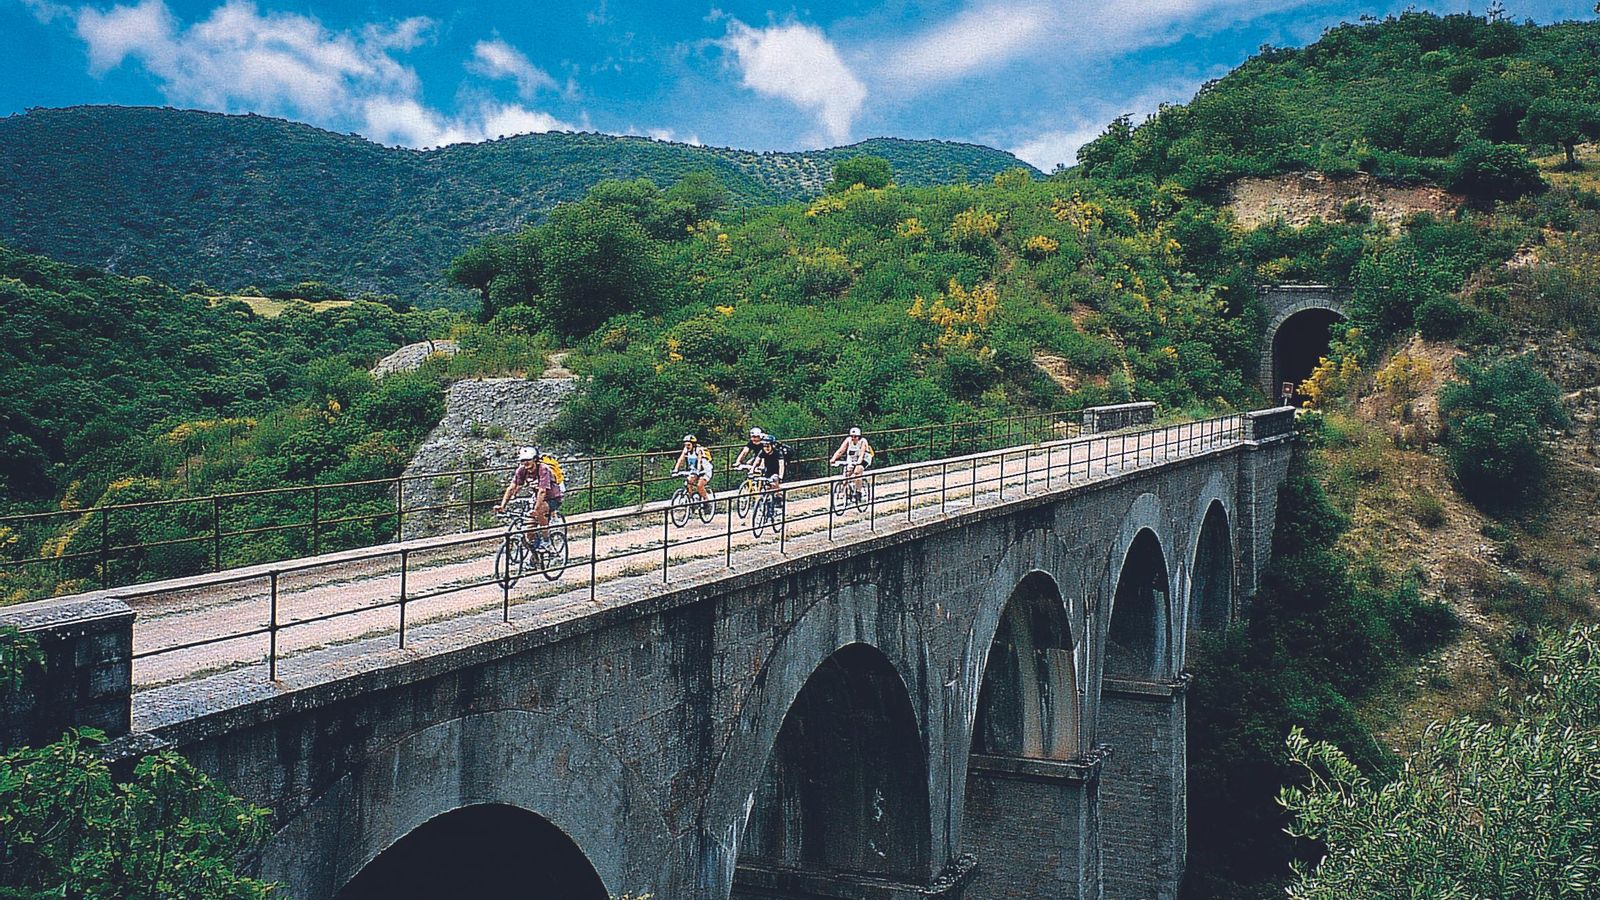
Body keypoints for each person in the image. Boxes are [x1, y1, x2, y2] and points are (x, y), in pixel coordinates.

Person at [494, 447, 562, 548]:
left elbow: (542, 491)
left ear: (535, 459)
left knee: (540, 510)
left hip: (552, 498)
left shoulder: (543, 469)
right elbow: (512, 487)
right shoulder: (521, 470)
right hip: (538, 498)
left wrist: (536, 509)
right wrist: (502, 506)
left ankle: (547, 540)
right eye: (522, 460)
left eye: (528, 460)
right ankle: (535, 559)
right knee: (529, 532)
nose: (525, 463)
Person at [829, 426, 875, 499]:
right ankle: (846, 492)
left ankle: (859, 491)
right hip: (852, 458)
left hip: (864, 459)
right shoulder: (848, 441)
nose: (853, 438)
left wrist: (859, 462)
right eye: (852, 436)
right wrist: (833, 458)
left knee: (857, 472)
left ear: (859, 436)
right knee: (847, 474)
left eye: (855, 436)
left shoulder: (863, 441)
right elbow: (841, 450)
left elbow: (862, 453)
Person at [672, 434, 714, 506]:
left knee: (699, 485)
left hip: (705, 470)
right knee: (688, 482)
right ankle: (691, 502)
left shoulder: (698, 450)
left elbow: (699, 461)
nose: (687, 447)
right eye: (685, 445)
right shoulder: (686, 450)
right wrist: (675, 469)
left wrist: (697, 470)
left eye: (688, 445)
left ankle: (707, 502)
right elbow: (681, 459)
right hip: (695, 470)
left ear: (693, 445)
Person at [755, 434, 788, 507]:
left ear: (772, 446)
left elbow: (781, 465)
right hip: (768, 471)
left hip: (776, 471)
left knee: (774, 483)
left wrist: (780, 476)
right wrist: (752, 470)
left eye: (767, 446)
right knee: (766, 487)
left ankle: (779, 498)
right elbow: (757, 461)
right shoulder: (762, 452)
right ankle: (767, 505)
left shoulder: (778, 452)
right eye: (764, 446)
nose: (765, 448)